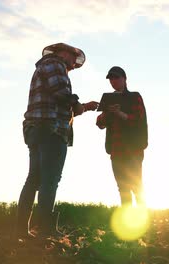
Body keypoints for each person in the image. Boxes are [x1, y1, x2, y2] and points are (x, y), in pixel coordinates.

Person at [17, 43, 99, 239]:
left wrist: (84, 107)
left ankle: (21, 231)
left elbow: (60, 104)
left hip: (36, 128)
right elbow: (62, 94)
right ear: (63, 53)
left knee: (34, 179)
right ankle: (45, 229)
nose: (72, 64)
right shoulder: (55, 64)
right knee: (50, 180)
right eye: (72, 58)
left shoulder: (43, 67)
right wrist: (77, 103)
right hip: (52, 130)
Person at [96, 66, 148, 207]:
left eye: (116, 78)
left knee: (137, 187)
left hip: (134, 150)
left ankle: (144, 222)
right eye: (111, 79)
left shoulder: (135, 97)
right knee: (123, 189)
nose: (113, 81)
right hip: (116, 150)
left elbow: (139, 119)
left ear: (124, 79)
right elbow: (99, 123)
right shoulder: (108, 100)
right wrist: (108, 113)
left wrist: (120, 114)